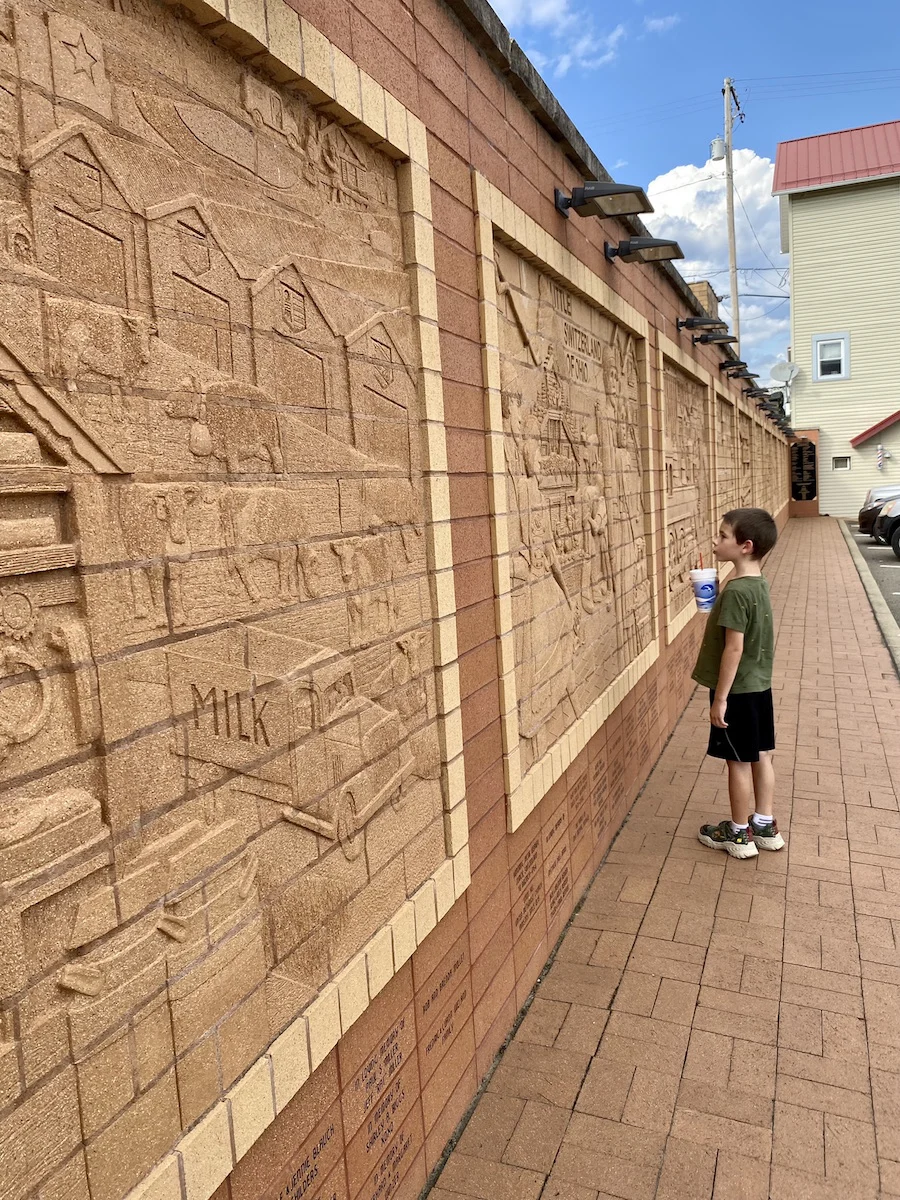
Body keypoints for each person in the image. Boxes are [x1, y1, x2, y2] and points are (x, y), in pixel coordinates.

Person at [691, 508, 785, 859]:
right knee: (762, 754)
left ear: (745, 546)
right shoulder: (756, 584)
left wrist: (720, 700)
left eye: (723, 535)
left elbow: (734, 647)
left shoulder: (736, 592)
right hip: (759, 686)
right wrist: (715, 595)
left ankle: (738, 832)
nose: (716, 541)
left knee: (738, 761)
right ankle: (764, 824)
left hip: (737, 691)